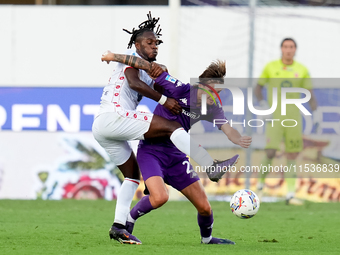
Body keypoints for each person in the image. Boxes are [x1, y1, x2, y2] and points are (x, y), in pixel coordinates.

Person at [93, 12, 240, 245]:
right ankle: (211, 166)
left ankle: (119, 227)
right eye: (149, 43)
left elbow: (156, 73)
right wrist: (163, 100)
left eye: (156, 43)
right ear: (137, 44)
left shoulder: (154, 70)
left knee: (132, 177)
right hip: (115, 116)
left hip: (104, 128)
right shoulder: (130, 58)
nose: (155, 46)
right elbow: (134, 82)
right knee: (172, 127)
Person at [107, 56, 252, 244]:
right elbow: (150, 68)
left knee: (205, 208)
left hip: (176, 157)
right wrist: (115, 56)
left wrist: (238, 138)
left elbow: (227, 129)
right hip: (152, 151)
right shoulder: (178, 88)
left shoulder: (211, 108)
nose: (209, 98)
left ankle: (207, 239)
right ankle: (129, 221)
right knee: (160, 197)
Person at [254, 38, 318, 205]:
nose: (288, 50)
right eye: (285, 47)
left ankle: (290, 194)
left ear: (295, 50)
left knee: (292, 155)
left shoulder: (302, 69)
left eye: (291, 47)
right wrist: (262, 105)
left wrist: (316, 112)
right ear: (281, 49)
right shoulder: (271, 67)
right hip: (274, 117)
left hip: (293, 119)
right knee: (270, 152)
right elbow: (258, 88)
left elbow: (310, 93)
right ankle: (260, 187)